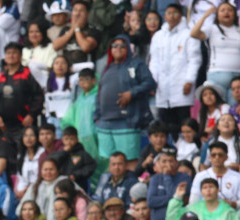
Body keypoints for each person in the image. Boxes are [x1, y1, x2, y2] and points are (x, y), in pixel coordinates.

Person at [94, 34, 155, 169]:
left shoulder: (137, 64)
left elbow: (150, 83)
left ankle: (129, 187)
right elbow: (99, 93)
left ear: (128, 47)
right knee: (109, 162)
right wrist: (96, 117)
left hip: (127, 121)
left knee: (129, 161)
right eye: (114, 46)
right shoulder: (106, 68)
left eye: (122, 45)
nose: (118, 48)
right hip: (105, 123)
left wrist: (131, 93)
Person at [148, 4, 200, 135]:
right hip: (163, 88)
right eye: (169, 13)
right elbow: (154, 62)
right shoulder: (158, 36)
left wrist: (189, 80)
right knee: (165, 126)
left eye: (175, 13)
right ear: (164, 16)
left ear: (181, 16)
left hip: (181, 87)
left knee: (183, 124)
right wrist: (153, 82)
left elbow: (195, 60)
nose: (171, 16)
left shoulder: (188, 34)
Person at [0, 42, 44, 144]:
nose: (11, 55)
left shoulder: (27, 73)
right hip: (5, 126)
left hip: (24, 124)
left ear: (20, 55)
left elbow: (39, 96)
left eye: (14, 53)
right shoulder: (1, 77)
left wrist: (31, 115)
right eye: (8, 53)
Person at [190, 3, 240, 103]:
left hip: (237, 77)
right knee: (218, 108)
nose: (226, 12)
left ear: (235, 13)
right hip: (217, 74)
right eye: (222, 10)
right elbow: (194, 33)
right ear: (217, 14)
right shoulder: (212, 28)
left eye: (230, 10)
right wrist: (205, 16)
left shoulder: (238, 30)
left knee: (234, 110)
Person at [147, 147, 189, 220]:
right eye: (164, 161)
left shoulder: (184, 178)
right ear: (159, 163)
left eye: (170, 161)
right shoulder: (155, 178)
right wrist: (173, 197)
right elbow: (151, 201)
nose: (167, 164)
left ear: (176, 163)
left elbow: (178, 200)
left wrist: (166, 176)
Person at [190, 141, 240, 208]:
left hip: (230, 214)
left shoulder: (237, 177)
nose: (217, 157)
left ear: (226, 157)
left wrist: (233, 204)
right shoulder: (200, 176)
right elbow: (193, 201)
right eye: (213, 155)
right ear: (210, 158)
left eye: (220, 155)